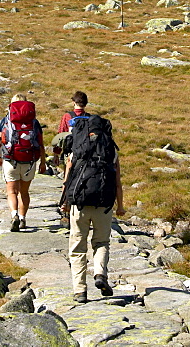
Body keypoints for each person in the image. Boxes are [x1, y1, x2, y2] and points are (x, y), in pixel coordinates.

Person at [61, 112, 125, 303]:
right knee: (101, 242)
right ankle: (99, 274)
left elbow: (68, 179)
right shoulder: (110, 151)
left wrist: (64, 201)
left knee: (78, 247)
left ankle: (80, 290)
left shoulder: (78, 149)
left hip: (79, 204)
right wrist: (120, 206)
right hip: (104, 204)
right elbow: (118, 182)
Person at [0, 94, 47, 232]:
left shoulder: (6, 120)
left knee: (11, 191)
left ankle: (14, 215)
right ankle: (23, 218)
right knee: (24, 192)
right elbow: (41, 144)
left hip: (11, 159)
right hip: (29, 160)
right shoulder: (34, 122)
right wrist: (43, 162)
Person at [51, 90, 91, 176]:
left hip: (70, 152)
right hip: (86, 153)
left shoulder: (67, 116)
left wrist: (56, 154)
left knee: (68, 177)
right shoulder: (90, 118)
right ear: (86, 104)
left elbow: (60, 135)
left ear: (74, 102)